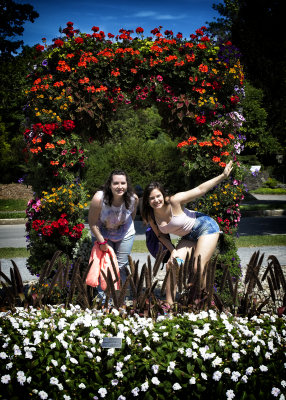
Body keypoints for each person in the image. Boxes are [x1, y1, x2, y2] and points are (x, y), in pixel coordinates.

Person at [141, 161, 233, 304]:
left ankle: (206, 299)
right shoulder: (150, 215)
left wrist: (223, 176)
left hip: (205, 228)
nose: (156, 200)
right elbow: (160, 235)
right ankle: (169, 306)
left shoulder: (174, 201)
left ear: (163, 194)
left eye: (158, 196)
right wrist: (173, 252)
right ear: (147, 201)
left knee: (198, 267)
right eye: (151, 198)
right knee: (172, 265)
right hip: (188, 237)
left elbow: (200, 189)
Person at [88, 170, 139, 287]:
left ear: (127, 184)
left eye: (123, 183)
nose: (120, 187)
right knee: (104, 265)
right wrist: (102, 241)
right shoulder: (99, 198)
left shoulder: (133, 199)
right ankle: (103, 299)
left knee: (121, 265)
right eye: (116, 183)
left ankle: (120, 297)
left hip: (125, 232)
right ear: (109, 185)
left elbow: (132, 216)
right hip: (102, 232)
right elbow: (92, 223)